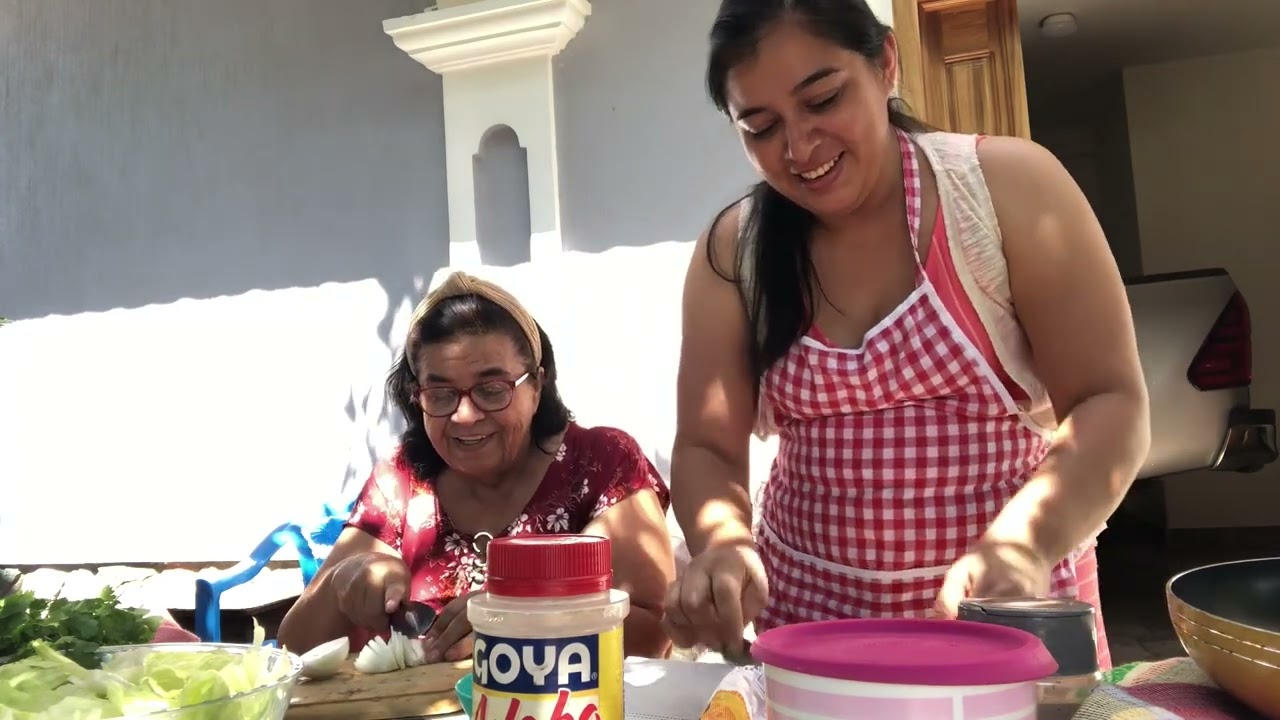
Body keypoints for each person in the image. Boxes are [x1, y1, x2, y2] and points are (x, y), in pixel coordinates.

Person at [662, 0, 1150, 669]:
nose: (799, 148)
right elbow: (705, 446)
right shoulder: (734, 253)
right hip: (809, 638)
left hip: (1001, 625)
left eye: (824, 99)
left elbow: (1109, 402)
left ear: (885, 63)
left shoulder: (1003, 192)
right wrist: (720, 541)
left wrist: (1026, 543)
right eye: (761, 126)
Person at [279, 272, 675, 660]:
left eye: (491, 389)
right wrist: (345, 581)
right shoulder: (401, 482)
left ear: (536, 386)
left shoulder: (599, 464)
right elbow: (294, 646)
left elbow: (653, 633)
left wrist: (517, 621)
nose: (465, 415)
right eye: (440, 393)